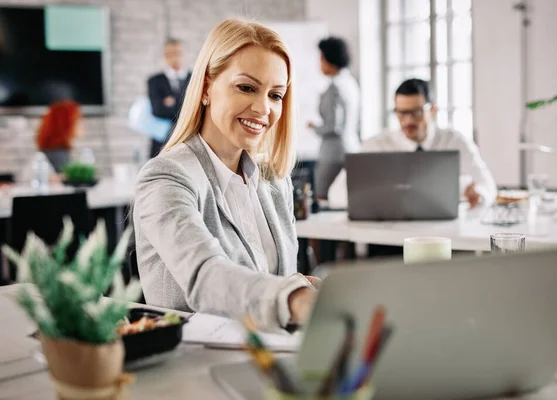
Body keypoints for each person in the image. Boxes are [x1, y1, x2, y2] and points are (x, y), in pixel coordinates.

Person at [133, 19, 318, 331]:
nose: (263, 108)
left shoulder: (273, 180)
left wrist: (309, 289)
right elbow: (206, 275)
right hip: (194, 370)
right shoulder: (165, 178)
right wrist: (294, 298)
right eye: (246, 87)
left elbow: (273, 282)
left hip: (271, 361)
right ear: (206, 87)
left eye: (276, 95)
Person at [328, 78, 497, 209]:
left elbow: (488, 186)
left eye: (416, 113)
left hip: (444, 234)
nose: (408, 121)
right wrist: (372, 197)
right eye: (401, 113)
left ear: (432, 111)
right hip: (388, 237)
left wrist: (479, 195)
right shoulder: (375, 145)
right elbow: (335, 195)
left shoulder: (454, 141)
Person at [308, 37, 360, 200]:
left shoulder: (334, 87)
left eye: (321, 59)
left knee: (320, 195)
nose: (320, 64)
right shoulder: (350, 82)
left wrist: (313, 127)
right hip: (352, 146)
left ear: (330, 59)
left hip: (333, 152)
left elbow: (334, 126)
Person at [147, 38, 191, 158]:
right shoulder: (155, 81)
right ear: (164, 56)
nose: (173, 57)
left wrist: (172, 102)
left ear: (183, 54)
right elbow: (157, 110)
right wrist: (183, 105)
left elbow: (198, 109)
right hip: (162, 143)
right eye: (169, 54)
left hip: (189, 140)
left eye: (177, 53)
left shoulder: (194, 78)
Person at [35, 99, 82, 172]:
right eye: (77, 120)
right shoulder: (58, 153)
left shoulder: (51, 149)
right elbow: (63, 178)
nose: (80, 124)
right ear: (67, 124)